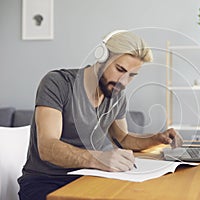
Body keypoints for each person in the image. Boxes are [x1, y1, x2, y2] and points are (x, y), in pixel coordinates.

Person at [18, 30, 183, 200]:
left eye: (132, 75)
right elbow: (47, 147)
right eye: (120, 69)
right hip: (45, 183)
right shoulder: (58, 83)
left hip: (88, 179)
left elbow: (123, 139)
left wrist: (157, 138)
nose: (124, 82)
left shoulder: (116, 94)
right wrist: (98, 159)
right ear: (102, 56)